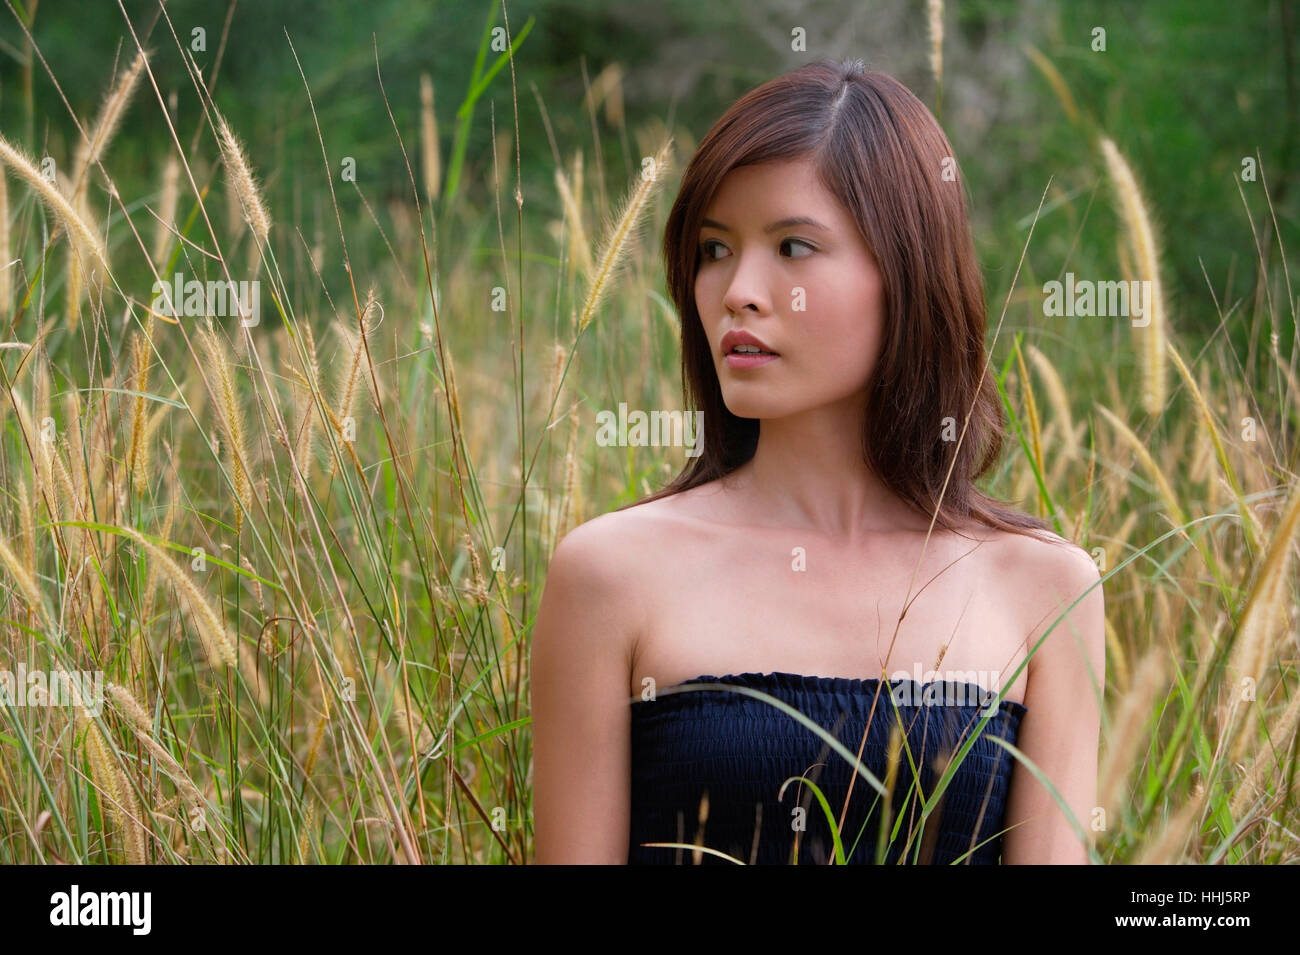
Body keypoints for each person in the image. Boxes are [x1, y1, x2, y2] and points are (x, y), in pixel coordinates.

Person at [531, 59, 1105, 864]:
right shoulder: (610, 573)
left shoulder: (1044, 587)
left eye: (792, 246)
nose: (738, 290)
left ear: (907, 272)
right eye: (714, 249)